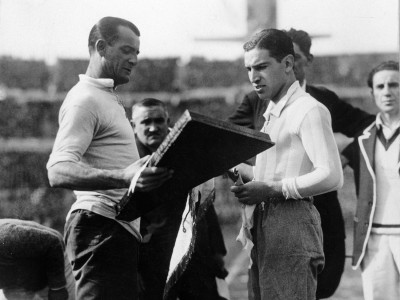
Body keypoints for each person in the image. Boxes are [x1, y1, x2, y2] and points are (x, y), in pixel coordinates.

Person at [228, 28, 375, 299]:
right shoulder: (272, 109)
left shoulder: (309, 109)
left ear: (287, 64)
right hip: (265, 220)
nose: (253, 77)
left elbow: (331, 176)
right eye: (249, 69)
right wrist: (235, 168)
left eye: (261, 67)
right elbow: (272, 172)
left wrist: (271, 189)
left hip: (293, 222)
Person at [46, 17, 172, 300]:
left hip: (117, 228)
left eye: (137, 52)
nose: (135, 59)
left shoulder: (108, 97)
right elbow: (57, 170)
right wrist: (124, 176)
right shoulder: (85, 99)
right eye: (127, 50)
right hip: (98, 226)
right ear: (101, 47)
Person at [131, 98, 228, 300]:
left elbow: (204, 202)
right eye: (145, 122)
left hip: (194, 249)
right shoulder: (127, 160)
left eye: (159, 121)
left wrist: (217, 250)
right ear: (133, 126)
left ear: (168, 121)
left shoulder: (187, 150)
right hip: (151, 255)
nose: (152, 128)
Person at [341, 61, 400, 300]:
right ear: (372, 93)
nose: (387, 91)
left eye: (394, 84)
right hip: (373, 237)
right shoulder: (363, 139)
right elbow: (330, 168)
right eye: (381, 86)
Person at [0, 219, 75, 300]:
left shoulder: (5, 236)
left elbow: (53, 243)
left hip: (52, 260)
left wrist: (57, 287)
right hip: (15, 280)